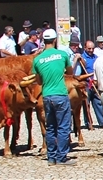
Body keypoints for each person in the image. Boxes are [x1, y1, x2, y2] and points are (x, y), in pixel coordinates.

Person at [32, 29, 76, 166]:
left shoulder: (37, 59)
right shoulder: (62, 55)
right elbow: (70, 73)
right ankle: (61, 157)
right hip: (61, 94)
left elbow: (38, 81)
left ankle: (51, 157)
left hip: (46, 96)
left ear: (43, 41)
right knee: (63, 127)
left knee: (50, 127)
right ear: (55, 40)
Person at [81, 40, 103, 129]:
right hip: (86, 83)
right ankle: (88, 123)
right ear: (85, 48)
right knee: (86, 104)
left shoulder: (96, 58)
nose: (91, 50)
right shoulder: (82, 58)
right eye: (89, 48)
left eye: (92, 48)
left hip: (95, 83)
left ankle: (102, 122)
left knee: (98, 102)